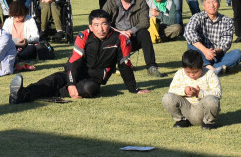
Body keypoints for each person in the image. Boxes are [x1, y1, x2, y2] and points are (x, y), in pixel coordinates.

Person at [9, 9, 151, 104]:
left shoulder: (120, 39)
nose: (100, 29)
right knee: (51, 81)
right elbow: (73, 63)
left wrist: (134, 89)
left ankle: (55, 91)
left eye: (104, 24)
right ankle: (19, 95)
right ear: (90, 26)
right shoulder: (83, 36)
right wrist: (71, 83)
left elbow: (124, 65)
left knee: (90, 89)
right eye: (96, 25)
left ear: (109, 24)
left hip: (92, 81)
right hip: (72, 73)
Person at [103, 0, 163, 77]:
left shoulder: (140, 1)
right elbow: (101, 19)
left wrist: (130, 31)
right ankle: (114, 64)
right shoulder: (111, 2)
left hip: (133, 37)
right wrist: (119, 32)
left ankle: (151, 67)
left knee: (144, 33)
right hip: (116, 37)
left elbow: (145, 23)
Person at [184, 0, 241, 75]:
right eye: (208, 2)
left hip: (217, 55)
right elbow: (188, 32)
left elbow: (226, 42)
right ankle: (211, 68)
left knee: (238, 54)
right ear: (203, 6)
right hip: (200, 53)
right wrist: (205, 51)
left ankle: (206, 68)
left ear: (218, 4)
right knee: (191, 42)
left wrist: (213, 52)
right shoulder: (197, 17)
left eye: (214, 2)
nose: (211, 5)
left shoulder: (227, 20)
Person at [162, 50, 221, 129]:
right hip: (186, 109)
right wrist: (184, 91)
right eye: (188, 72)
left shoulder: (210, 74)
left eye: (196, 71)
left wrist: (199, 93)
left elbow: (218, 93)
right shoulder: (180, 73)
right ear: (183, 68)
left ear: (202, 66)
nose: (192, 74)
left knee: (211, 100)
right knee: (167, 97)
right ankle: (181, 121)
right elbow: (171, 91)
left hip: (202, 110)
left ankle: (208, 122)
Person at [3, 0, 40, 70]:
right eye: (15, 16)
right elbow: (3, 36)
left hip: (25, 47)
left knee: (32, 48)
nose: (17, 18)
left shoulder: (30, 20)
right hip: (11, 46)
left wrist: (26, 40)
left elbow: (36, 37)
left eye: (20, 16)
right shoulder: (8, 21)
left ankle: (16, 57)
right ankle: (15, 57)